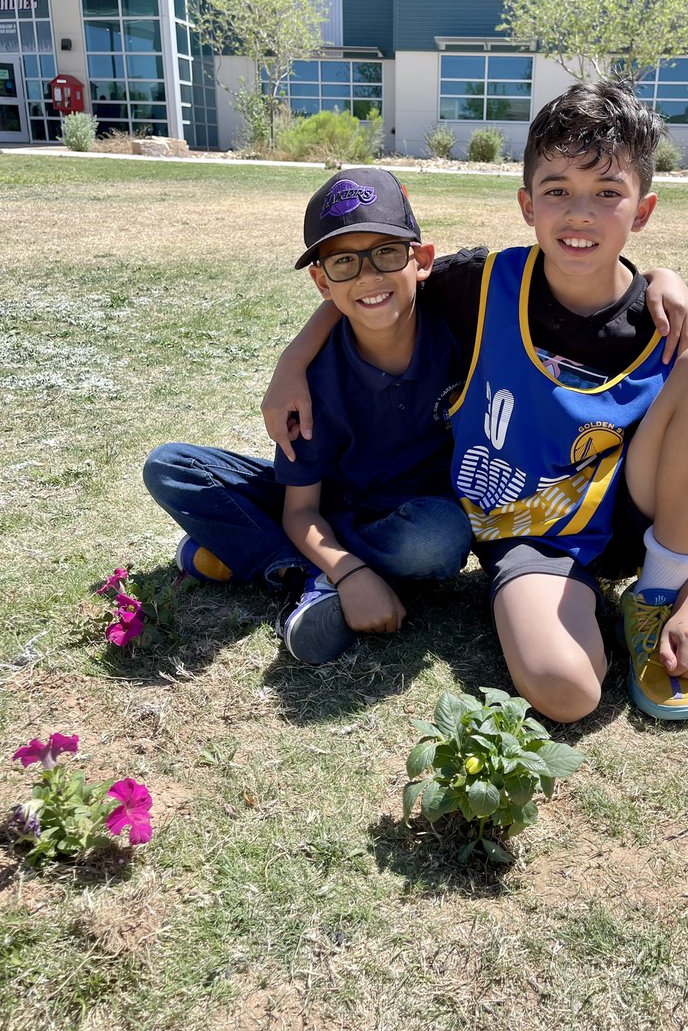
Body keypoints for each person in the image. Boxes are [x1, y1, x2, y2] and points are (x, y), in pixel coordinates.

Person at [262, 81, 688, 724]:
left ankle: (655, 594)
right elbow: (374, 285)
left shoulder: (662, 319)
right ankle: (594, 609)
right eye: (557, 191)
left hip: (633, 512)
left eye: (607, 193)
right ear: (527, 204)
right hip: (528, 534)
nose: (580, 214)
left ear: (643, 210)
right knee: (567, 693)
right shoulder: (482, 283)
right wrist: (293, 360)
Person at [144, 169, 473, 664]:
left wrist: (636, 284)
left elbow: (549, 280)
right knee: (170, 466)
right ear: (321, 281)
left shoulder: (462, 317)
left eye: (386, 252)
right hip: (325, 502)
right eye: (344, 262)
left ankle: (253, 552)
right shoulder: (315, 381)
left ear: (421, 259)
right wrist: (350, 571)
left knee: (440, 539)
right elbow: (302, 510)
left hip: (409, 516)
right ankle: (312, 575)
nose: (368, 276)